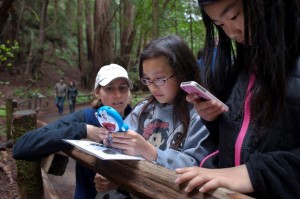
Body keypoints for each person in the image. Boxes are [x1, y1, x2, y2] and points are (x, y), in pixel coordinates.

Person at [175, 1, 300, 199]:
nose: (231, 33)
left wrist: (252, 173)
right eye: (220, 25)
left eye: (234, 16)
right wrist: (213, 120)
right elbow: (245, 136)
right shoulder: (243, 64)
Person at [94, 35, 217, 197]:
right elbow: (121, 146)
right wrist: (110, 139)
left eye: (159, 79)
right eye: (147, 80)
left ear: (182, 72)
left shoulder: (202, 113)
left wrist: (150, 152)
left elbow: (197, 166)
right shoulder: (143, 109)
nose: (152, 87)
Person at [13, 63, 133, 199]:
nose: (117, 95)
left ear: (129, 92)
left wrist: (120, 183)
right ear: (97, 92)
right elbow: (22, 147)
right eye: (109, 88)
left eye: (123, 88)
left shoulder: (141, 121)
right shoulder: (85, 118)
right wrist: (82, 130)